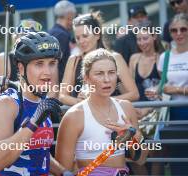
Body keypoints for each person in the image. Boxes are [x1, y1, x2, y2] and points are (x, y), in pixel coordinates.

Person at [0, 32, 72, 175]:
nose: (47, 72)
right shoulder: (7, 103)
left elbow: (37, 151)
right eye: (39, 64)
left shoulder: (41, 99)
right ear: (21, 68)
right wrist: (32, 124)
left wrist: (63, 172)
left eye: (52, 63)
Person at [56, 48, 148, 176]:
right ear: (86, 78)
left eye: (111, 72)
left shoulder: (126, 108)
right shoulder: (74, 116)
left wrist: (135, 135)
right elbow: (62, 171)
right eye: (99, 73)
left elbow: (141, 160)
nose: (107, 79)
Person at [59, 12, 139, 106]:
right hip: (84, 116)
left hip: (110, 115)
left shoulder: (115, 57)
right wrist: (82, 102)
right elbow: (62, 96)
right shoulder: (74, 60)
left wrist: (101, 100)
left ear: (97, 35)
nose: (81, 41)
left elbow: (134, 94)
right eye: (77, 38)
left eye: (85, 36)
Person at [129, 22, 164, 175]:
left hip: (157, 113)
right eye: (139, 39)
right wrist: (132, 108)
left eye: (145, 38)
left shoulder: (162, 57)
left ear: (154, 37)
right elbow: (130, 89)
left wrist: (147, 109)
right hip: (137, 113)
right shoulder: (134, 58)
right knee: (134, 155)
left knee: (155, 153)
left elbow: (166, 91)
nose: (142, 43)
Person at [158, 13, 188, 175]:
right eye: (174, 30)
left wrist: (177, 89)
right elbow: (163, 86)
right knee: (178, 159)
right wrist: (158, 91)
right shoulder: (165, 57)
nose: (179, 33)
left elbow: (171, 88)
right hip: (173, 113)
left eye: (183, 29)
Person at [0, 19, 43, 84]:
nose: (28, 41)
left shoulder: (43, 59)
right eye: (23, 36)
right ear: (15, 37)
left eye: (32, 37)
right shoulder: (5, 58)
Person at [49, 0, 76, 82]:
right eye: (74, 16)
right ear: (69, 15)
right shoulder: (62, 35)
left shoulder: (52, 32)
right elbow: (55, 63)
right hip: (60, 84)